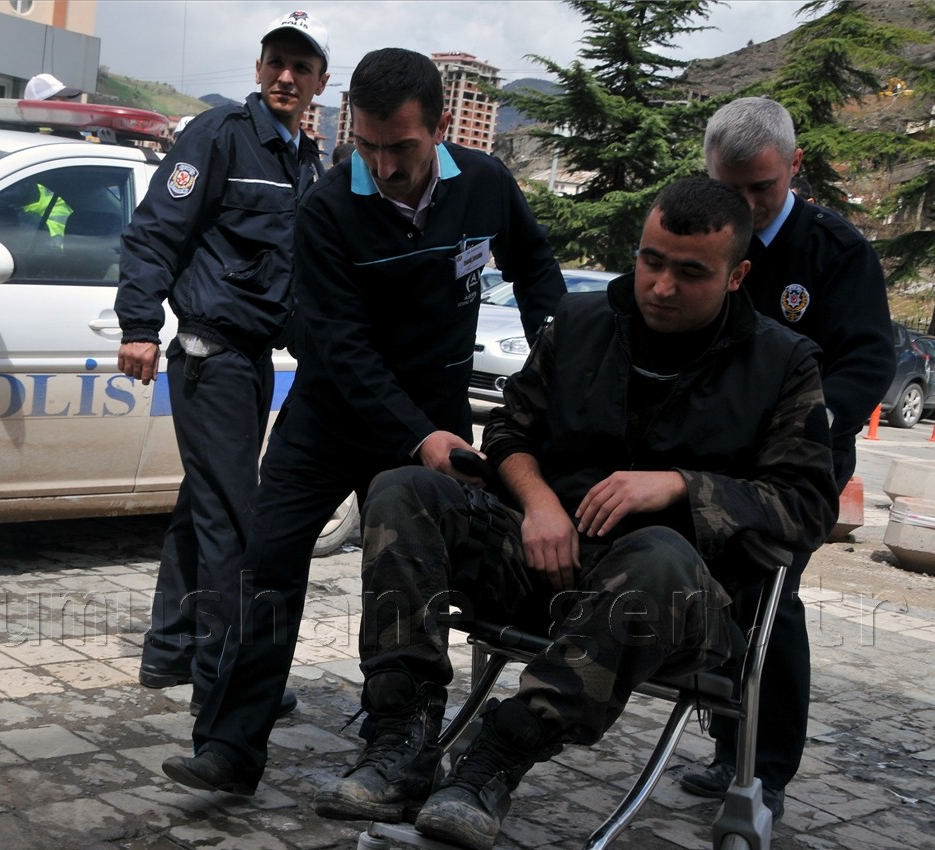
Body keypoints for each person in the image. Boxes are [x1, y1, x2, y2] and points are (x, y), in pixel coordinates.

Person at [312, 176, 838, 850]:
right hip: (545, 562)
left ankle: (492, 762)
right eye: (651, 261)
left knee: (658, 553)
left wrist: (680, 486)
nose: (662, 287)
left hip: (677, 603)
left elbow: (808, 505)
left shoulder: (783, 364)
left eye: (690, 272)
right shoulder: (584, 323)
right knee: (402, 489)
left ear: (737, 275)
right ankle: (400, 744)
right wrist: (537, 505)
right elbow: (507, 435)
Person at [160, 47, 566, 795]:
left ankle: (400, 743)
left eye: (401, 148)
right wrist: (418, 435)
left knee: (413, 579)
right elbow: (341, 348)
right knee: (266, 565)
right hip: (331, 417)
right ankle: (229, 747)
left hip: (437, 417)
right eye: (369, 145)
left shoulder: (483, 185)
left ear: (441, 128)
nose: (382, 165)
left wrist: (553, 349)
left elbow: (536, 268)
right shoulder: (326, 208)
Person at [680, 96, 895, 819]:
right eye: (727, 188)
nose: (740, 205)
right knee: (713, 590)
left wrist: (805, 419)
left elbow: (869, 359)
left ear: (794, 167)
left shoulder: (836, 252)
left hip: (799, 462)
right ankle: (725, 748)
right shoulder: (704, 238)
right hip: (711, 452)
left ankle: (764, 768)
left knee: (771, 593)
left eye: (759, 190)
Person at [115, 11, 331, 717]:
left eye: (301, 67)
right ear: (260, 66)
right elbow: (155, 232)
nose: (286, 77)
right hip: (211, 355)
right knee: (233, 522)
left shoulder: (303, 159)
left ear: (321, 81)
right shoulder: (219, 136)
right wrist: (141, 325)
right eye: (276, 61)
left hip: (254, 359)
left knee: (202, 505)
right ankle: (226, 677)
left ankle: (170, 649)